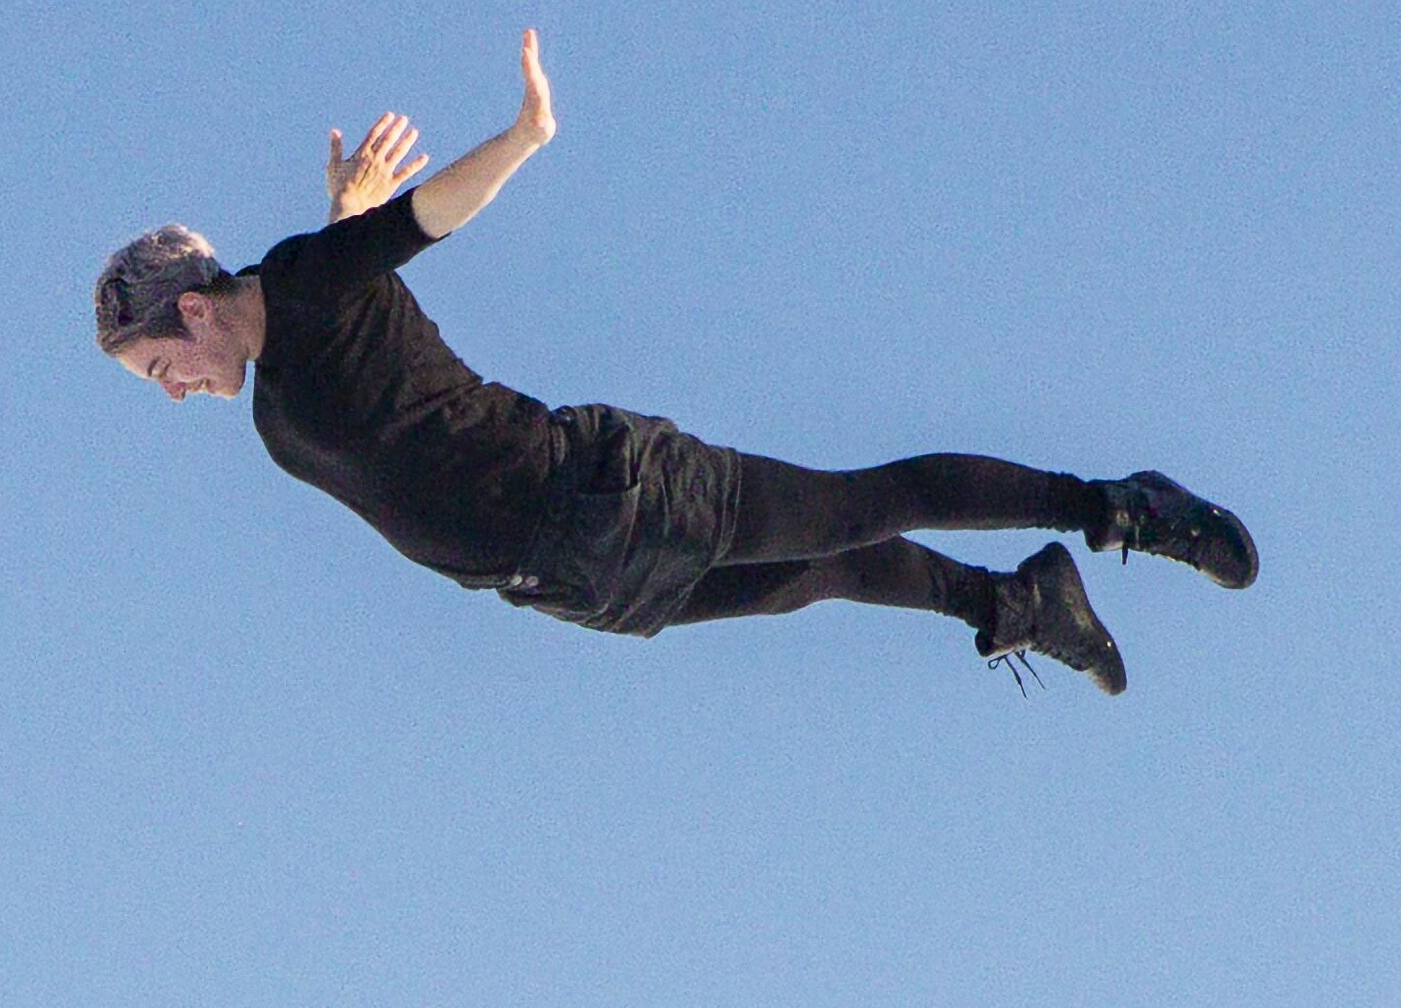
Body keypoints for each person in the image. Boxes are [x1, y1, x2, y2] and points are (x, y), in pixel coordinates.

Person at [94, 37, 1254, 692]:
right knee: (816, 574)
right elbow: (362, 265)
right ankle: (1020, 601)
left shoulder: (300, 282)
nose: (173, 393)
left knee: (857, 508)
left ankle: (1117, 507)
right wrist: (348, 221)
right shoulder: (292, 347)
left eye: (159, 367)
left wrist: (516, 141)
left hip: (602, 493)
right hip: (564, 580)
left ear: (189, 310)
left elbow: (425, 221)